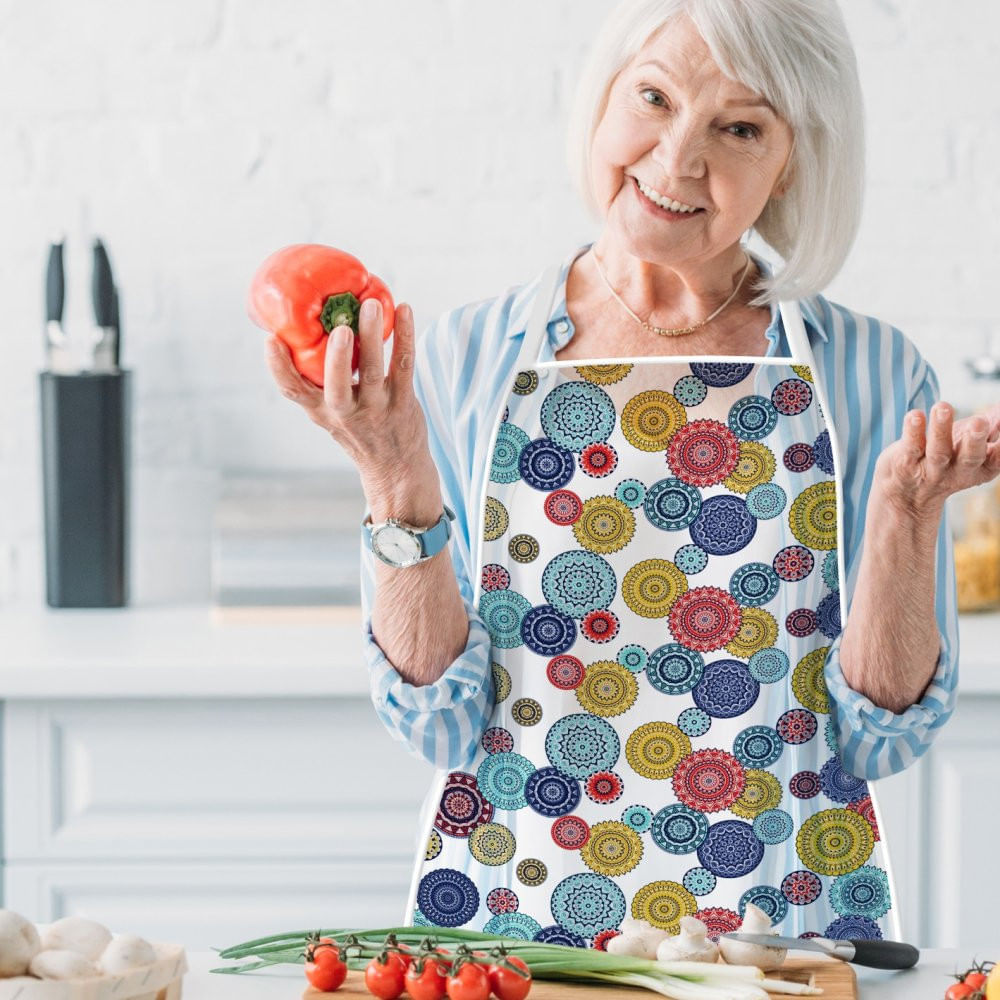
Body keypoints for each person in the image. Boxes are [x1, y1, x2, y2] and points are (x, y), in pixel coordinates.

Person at [266, 0, 999, 945]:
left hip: (782, 942)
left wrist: (905, 515)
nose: (678, 159)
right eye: (653, 97)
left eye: (739, 128)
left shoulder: (871, 374)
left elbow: (877, 737)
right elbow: (436, 725)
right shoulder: (463, 356)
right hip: (518, 933)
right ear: (603, 99)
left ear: (792, 164)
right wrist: (390, 464)